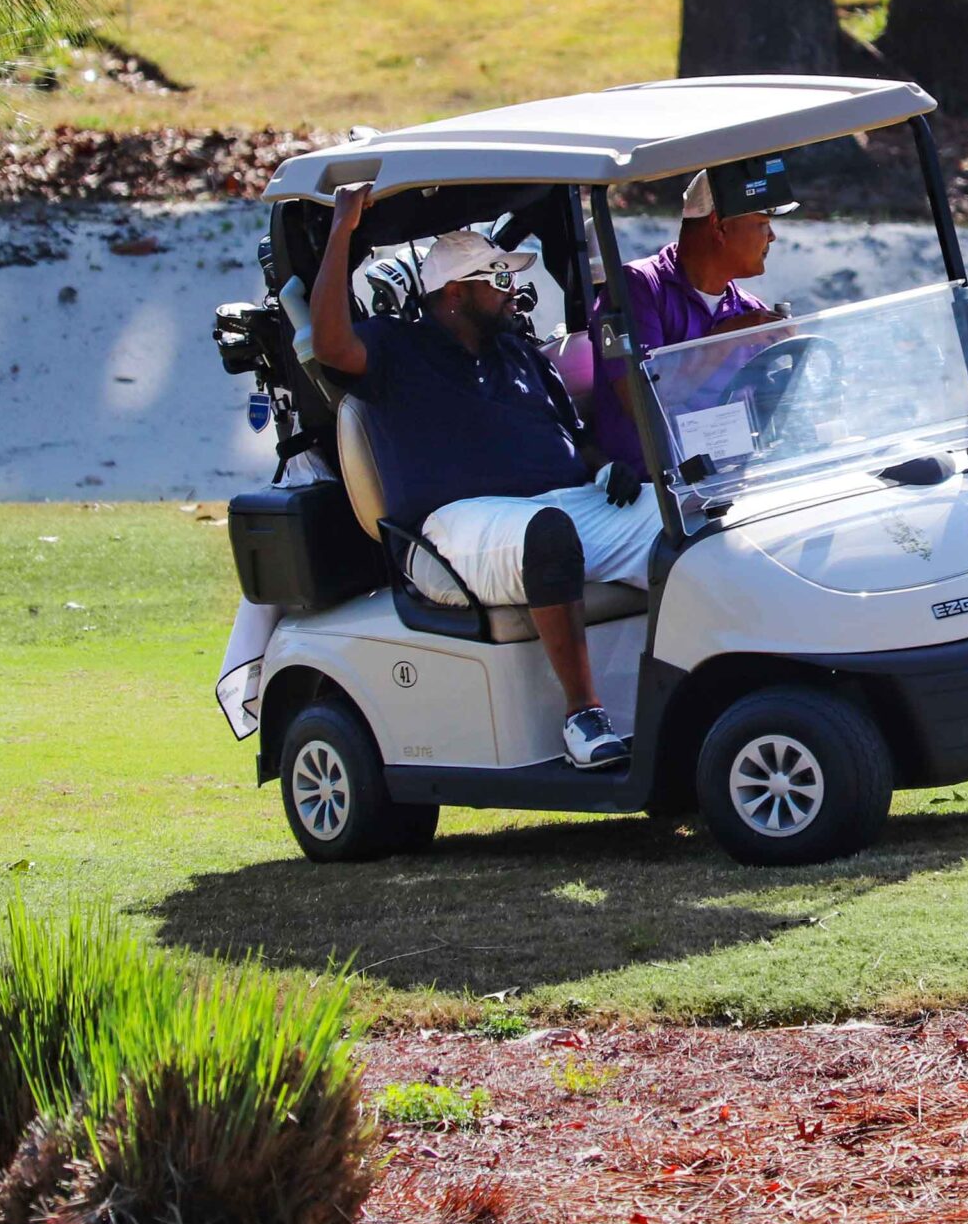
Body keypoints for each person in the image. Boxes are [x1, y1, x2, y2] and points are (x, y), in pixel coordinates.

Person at [311, 185, 660, 770]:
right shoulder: (395, 349)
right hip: (455, 529)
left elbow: (569, 438)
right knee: (546, 534)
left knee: (683, 519)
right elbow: (329, 342)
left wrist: (606, 470)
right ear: (454, 293)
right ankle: (583, 716)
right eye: (497, 282)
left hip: (563, 506)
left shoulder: (517, 352)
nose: (512, 293)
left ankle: (715, 684)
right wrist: (343, 228)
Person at [590, 160, 797, 476]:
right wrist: (728, 339)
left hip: (729, 483)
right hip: (652, 493)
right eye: (762, 223)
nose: (772, 237)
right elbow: (646, 403)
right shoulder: (637, 288)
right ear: (720, 226)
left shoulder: (748, 311)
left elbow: (766, 415)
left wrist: (796, 385)